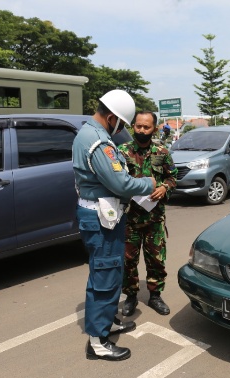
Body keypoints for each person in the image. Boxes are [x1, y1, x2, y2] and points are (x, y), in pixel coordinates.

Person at [72, 89, 157, 362]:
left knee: (108, 272)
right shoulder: (98, 142)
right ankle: (98, 341)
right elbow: (120, 183)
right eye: (121, 123)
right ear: (111, 117)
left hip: (104, 215)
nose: (122, 130)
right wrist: (148, 184)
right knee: (105, 277)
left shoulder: (90, 134)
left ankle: (107, 321)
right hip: (101, 218)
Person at [118, 111, 177, 317]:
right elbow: (115, 180)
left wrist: (164, 188)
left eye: (146, 127)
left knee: (156, 260)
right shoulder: (122, 151)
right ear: (133, 126)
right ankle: (131, 296)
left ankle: (155, 296)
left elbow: (172, 177)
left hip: (154, 218)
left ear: (155, 128)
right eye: (138, 126)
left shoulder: (162, 151)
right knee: (128, 260)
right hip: (130, 218)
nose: (141, 130)